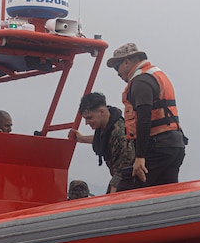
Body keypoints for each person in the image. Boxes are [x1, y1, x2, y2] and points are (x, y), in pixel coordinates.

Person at [107, 42, 187, 189]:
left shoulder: (140, 82)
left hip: (157, 148)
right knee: (164, 192)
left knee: (126, 189)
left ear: (127, 62)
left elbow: (144, 120)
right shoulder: (155, 75)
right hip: (174, 145)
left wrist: (140, 157)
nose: (117, 72)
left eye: (117, 67)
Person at [69, 91, 135, 193]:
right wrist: (82, 139)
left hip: (130, 181)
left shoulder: (120, 133)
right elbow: (105, 139)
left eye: (89, 118)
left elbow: (123, 169)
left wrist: (112, 198)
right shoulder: (107, 128)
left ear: (102, 112)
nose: (87, 123)